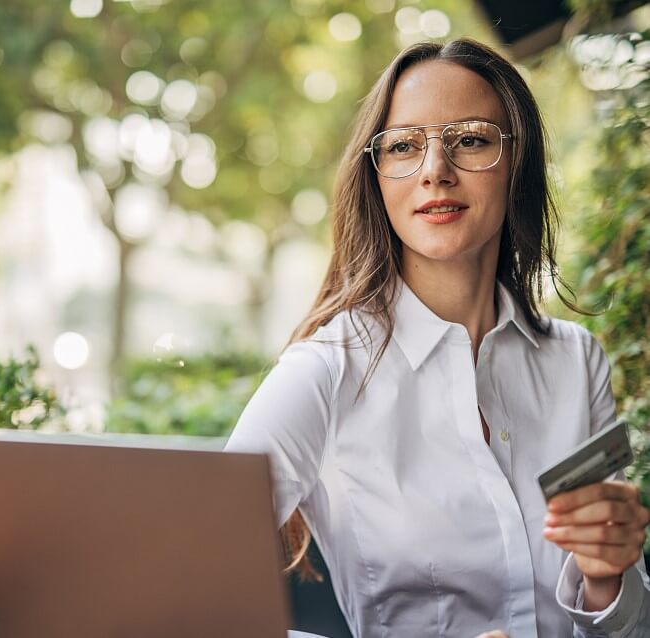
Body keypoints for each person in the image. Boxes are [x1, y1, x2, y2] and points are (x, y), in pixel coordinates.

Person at [225, 38, 650, 637]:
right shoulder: (325, 370)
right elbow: (191, 592)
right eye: (403, 146)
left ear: (517, 159)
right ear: (377, 177)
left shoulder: (577, 362)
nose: (435, 171)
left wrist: (608, 579)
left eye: (471, 139)